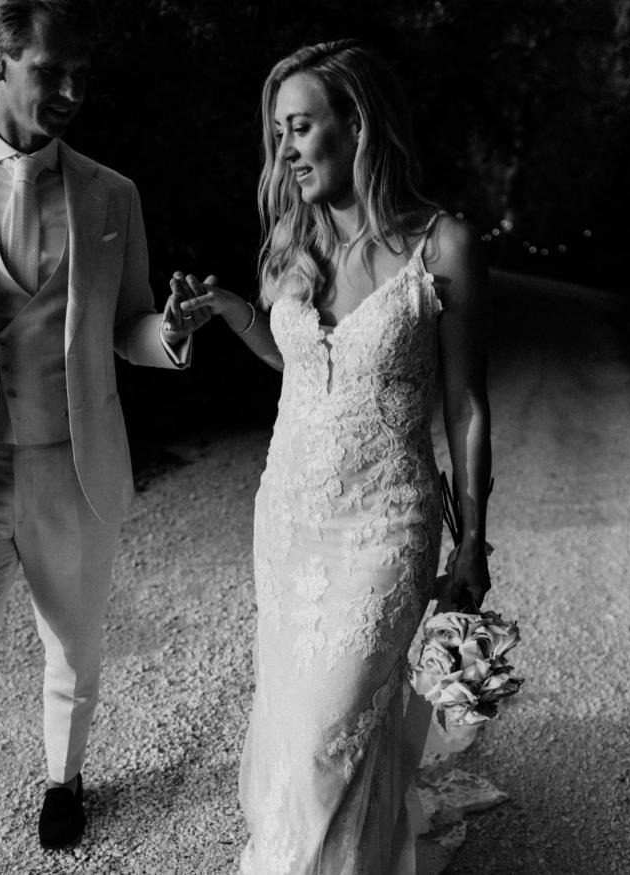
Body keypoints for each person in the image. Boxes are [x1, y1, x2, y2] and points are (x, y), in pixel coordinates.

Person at [175, 39, 491, 873]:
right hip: (289, 519)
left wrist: (474, 542)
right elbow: (304, 365)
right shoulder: (292, 244)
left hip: (385, 526)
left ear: (358, 124)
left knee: (327, 733)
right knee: (297, 727)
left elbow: (465, 403)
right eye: (278, 131)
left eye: (301, 126)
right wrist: (234, 310)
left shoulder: (442, 247)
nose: (285, 148)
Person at [0, 0, 209, 850]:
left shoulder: (113, 194)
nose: (71, 91)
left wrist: (168, 331)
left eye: (82, 75)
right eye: (51, 71)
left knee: (75, 646)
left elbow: (129, 326)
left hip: (74, 463)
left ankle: (63, 779)